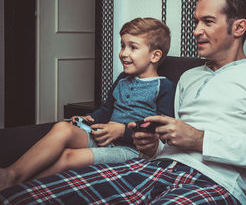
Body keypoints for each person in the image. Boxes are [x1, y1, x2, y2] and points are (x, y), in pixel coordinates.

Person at [0, 0, 246, 205]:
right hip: (153, 168)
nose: (195, 30)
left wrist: (200, 139)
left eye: (207, 21)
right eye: (196, 21)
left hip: (216, 184)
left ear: (238, 27)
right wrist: (152, 145)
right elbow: (171, 142)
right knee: (22, 196)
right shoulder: (190, 76)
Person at [0, 17, 175, 191]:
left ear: (155, 55)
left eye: (133, 47)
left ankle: (18, 188)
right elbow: (107, 110)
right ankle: (11, 174)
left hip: (132, 150)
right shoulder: (122, 79)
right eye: (122, 46)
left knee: (69, 157)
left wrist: (122, 132)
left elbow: (160, 132)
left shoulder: (164, 87)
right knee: (63, 128)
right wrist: (90, 118)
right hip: (103, 136)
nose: (123, 53)